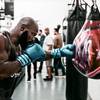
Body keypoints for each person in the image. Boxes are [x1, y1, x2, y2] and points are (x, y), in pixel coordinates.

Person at [0, 17, 75, 100]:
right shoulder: (2, 40)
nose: (32, 38)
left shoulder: (20, 45)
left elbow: (39, 56)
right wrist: (26, 58)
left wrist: (58, 52)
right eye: (32, 34)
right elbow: (1, 71)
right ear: (22, 28)